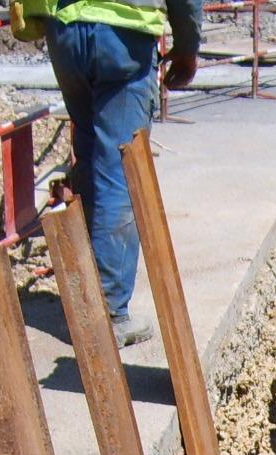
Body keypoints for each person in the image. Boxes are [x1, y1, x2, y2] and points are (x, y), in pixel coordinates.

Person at [37, 0, 201, 345]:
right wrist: (187, 46)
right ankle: (107, 313)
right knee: (119, 171)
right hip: (123, 31)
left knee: (90, 152)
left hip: (65, 28)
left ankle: (84, 294)